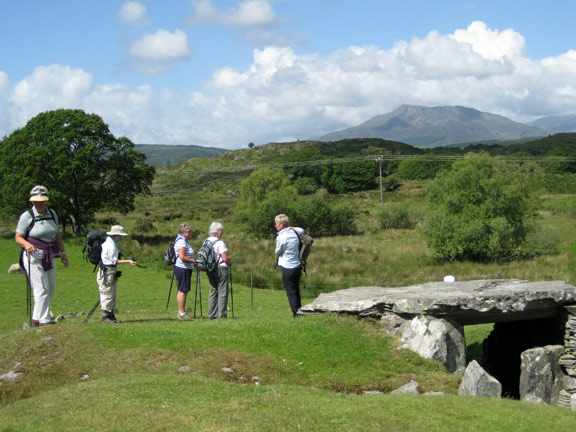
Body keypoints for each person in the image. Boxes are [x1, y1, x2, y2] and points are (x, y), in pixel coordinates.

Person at [15, 185, 69, 326]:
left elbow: (57, 234)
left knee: (50, 287)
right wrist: (27, 245)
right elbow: (18, 237)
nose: (39, 203)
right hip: (33, 255)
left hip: (50, 253)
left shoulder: (52, 213)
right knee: (41, 288)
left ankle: (36, 319)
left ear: (46, 200)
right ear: (31, 201)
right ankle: (44, 320)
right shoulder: (27, 216)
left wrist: (64, 254)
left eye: (42, 200)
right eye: (36, 201)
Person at [97, 225, 136, 323]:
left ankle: (110, 315)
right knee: (108, 293)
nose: (121, 238)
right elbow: (114, 261)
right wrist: (128, 261)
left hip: (108, 271)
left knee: (111, 293)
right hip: (108, 271)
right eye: (120, 236)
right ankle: (106, 317)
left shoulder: (109, 243)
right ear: (115, 235)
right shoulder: (111, 246)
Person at [274, 214, 304, 317]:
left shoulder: (281, 237)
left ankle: (295, 312)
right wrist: (290, 227)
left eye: (277, 223)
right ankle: (299, 309)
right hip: (297, 265)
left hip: (287, 266)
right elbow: (302, 229)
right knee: (296, 289)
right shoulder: (295, 232)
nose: (275, 225)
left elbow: (277, 251)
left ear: (281, 225)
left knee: (290, 291)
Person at [205, 222, 232, 319]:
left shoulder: (206, 241)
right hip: (221, 268)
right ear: (216, 232)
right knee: (222, 291)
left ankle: (211, 314)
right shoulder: (220, 243)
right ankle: (221, 315)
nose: (222, 233)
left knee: (213, 291)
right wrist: (230, 261)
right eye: (221, 231)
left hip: (210, 268)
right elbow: (224, 258)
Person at [174, 223, 196, 319]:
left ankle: (181, 311)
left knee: (181, 290)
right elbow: (182, 256)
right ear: (183, 232)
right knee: (183, 290)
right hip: (183, 268)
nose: (190, 233)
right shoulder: (182, 242)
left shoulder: (181, 240)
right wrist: (193, 261)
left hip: (181, 268)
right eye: (189, 231)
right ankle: (182, 313)